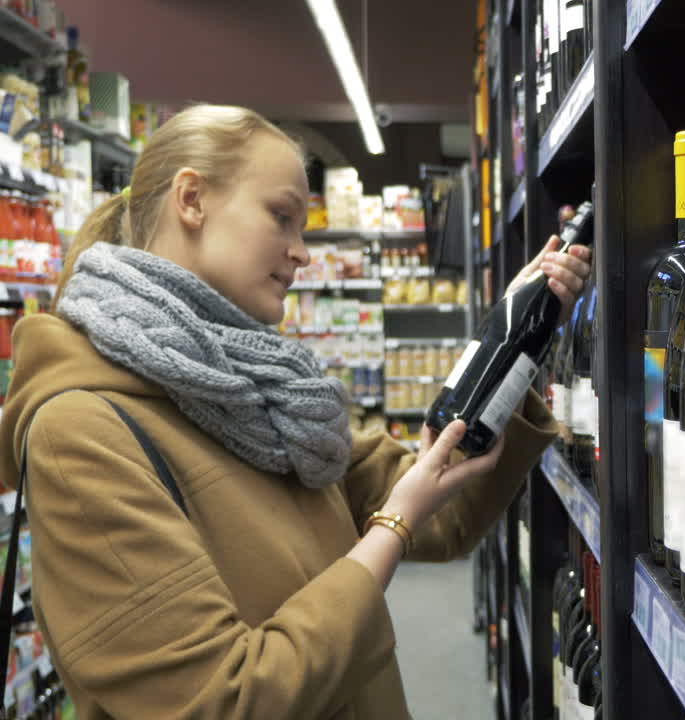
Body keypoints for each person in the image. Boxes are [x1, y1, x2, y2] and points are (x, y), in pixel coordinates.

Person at [0, 104, 592, 719]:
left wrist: (509, 338)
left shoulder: (262, 393)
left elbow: (446, 504)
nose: (302, 253)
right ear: (192, 200)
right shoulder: (80, 436)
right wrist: (391, 528)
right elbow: (223, 701)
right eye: (281, 217)